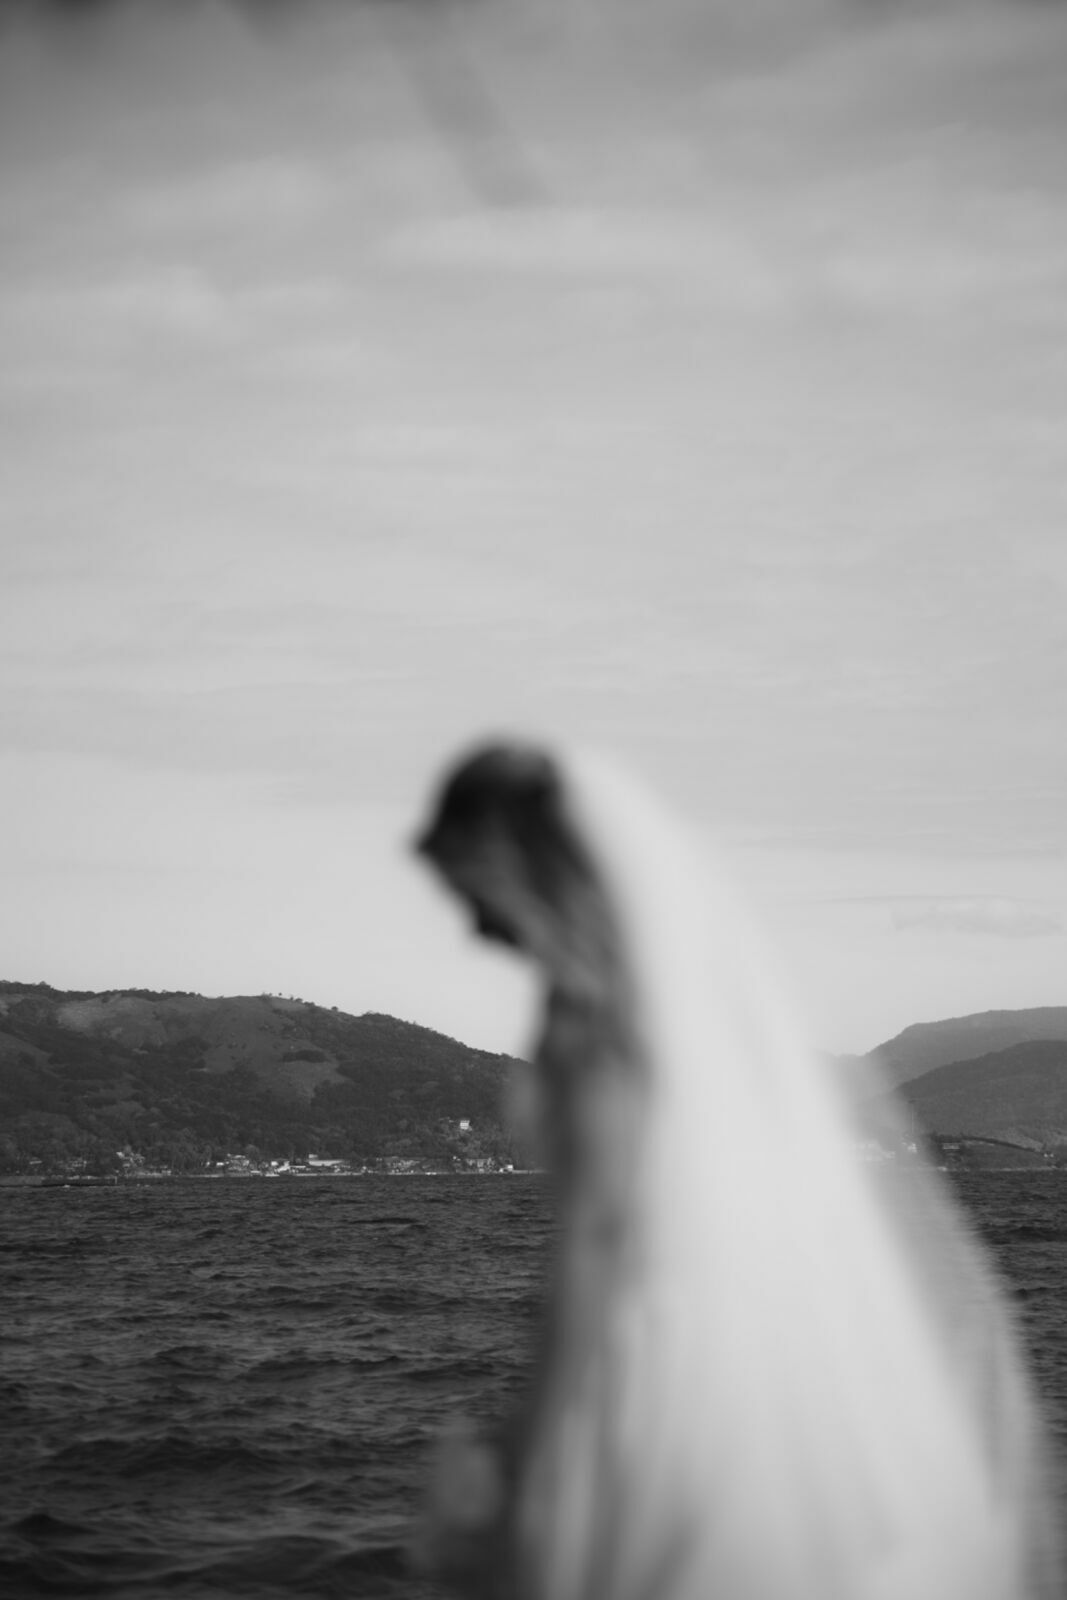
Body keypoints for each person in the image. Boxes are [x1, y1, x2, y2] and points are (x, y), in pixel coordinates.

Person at [413, 741, 1061, 1600]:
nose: (470, 925)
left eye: (474, 889)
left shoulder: (593, 1029)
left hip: (651, 1351)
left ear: (527, 870)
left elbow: (604, 1237)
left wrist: (540, 1436)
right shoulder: (669, 1007)